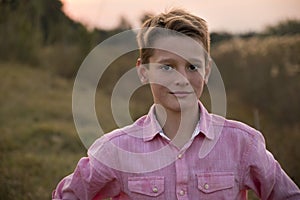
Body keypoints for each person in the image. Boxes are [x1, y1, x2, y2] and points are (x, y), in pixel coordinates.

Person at [52, 8, 300, 200]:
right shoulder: (116, 150)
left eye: (192, 66)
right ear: (143, 72)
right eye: (167, 66)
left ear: (207, 70)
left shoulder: (243, 144)